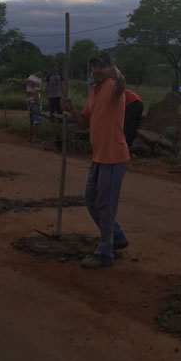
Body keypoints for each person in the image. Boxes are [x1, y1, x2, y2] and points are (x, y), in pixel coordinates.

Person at [62, 52, 129, 269]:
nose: (97, 71)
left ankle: (105, 252)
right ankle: (116, 236)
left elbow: (121, 84)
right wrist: (70, 108)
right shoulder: (93, 91)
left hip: (114, 156)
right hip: (98, 156)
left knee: (105, 205)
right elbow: (83, 123)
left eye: (101, 66)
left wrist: (116, 72)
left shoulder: (114, 88)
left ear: (110, 67)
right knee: (91, 200)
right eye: (94, 67)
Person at [25, 71, 43, 142]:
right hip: (34, 100)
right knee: (36, 120)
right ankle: (35, 138)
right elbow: (36, 92)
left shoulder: (30, 77)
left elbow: (27, 91)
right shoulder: (38, 80)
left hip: (29, 100)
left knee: (31, 120)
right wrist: (36, 104)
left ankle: (30, 137)